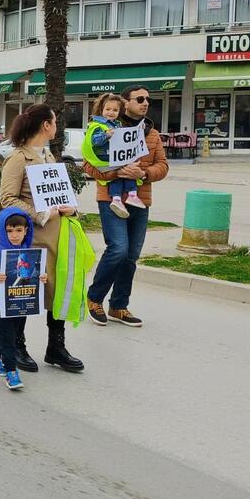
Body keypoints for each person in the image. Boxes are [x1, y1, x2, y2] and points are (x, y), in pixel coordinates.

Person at [0, 104, 85, 372]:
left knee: (57, 292)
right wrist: (39, 214)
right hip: (32, 239)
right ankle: (17, 346)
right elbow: (8, 199)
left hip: (58, 238)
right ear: (46, 126)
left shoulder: (49, 156)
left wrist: (71, 207)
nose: (57, 126)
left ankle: (56, 347)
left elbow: (59, 194)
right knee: (25, 292)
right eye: (55, 122)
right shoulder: (17, 159)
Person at [84, 85, 169, 327]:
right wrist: (117, 171)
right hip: (110, 199)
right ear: (126, 103)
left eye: (148, 99)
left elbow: (163, 166)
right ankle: (94, 298)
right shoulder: (106, 128)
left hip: (140, 200)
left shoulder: (151, 133)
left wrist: (143, 172)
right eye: (140, 99)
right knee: (118, 249)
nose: (145, 103)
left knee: (131, 256)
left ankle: (119, 306)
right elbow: (88, 166)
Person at [0, 209, 48, 391]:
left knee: (10, 332)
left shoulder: (30, 252)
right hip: (0, 302)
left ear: (26, 230)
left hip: (21, 301)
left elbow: (35, 272)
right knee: (8, 337)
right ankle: (11, 372)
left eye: (18, 230)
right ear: (3, 231)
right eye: (9, 231)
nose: (14, 235)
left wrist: (42, 278)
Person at [83, 93, 145, 219]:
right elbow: (95, 141)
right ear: (101, 110)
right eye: (108, 109)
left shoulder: (117, 125)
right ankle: (117, 198)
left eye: (115, 110)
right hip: (105, 159)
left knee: (128, 170)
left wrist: (138, 131)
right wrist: (106, 135)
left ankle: (131, 195)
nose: (111, 112)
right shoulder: (97, 124)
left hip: (116, 158)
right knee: (117, 176)